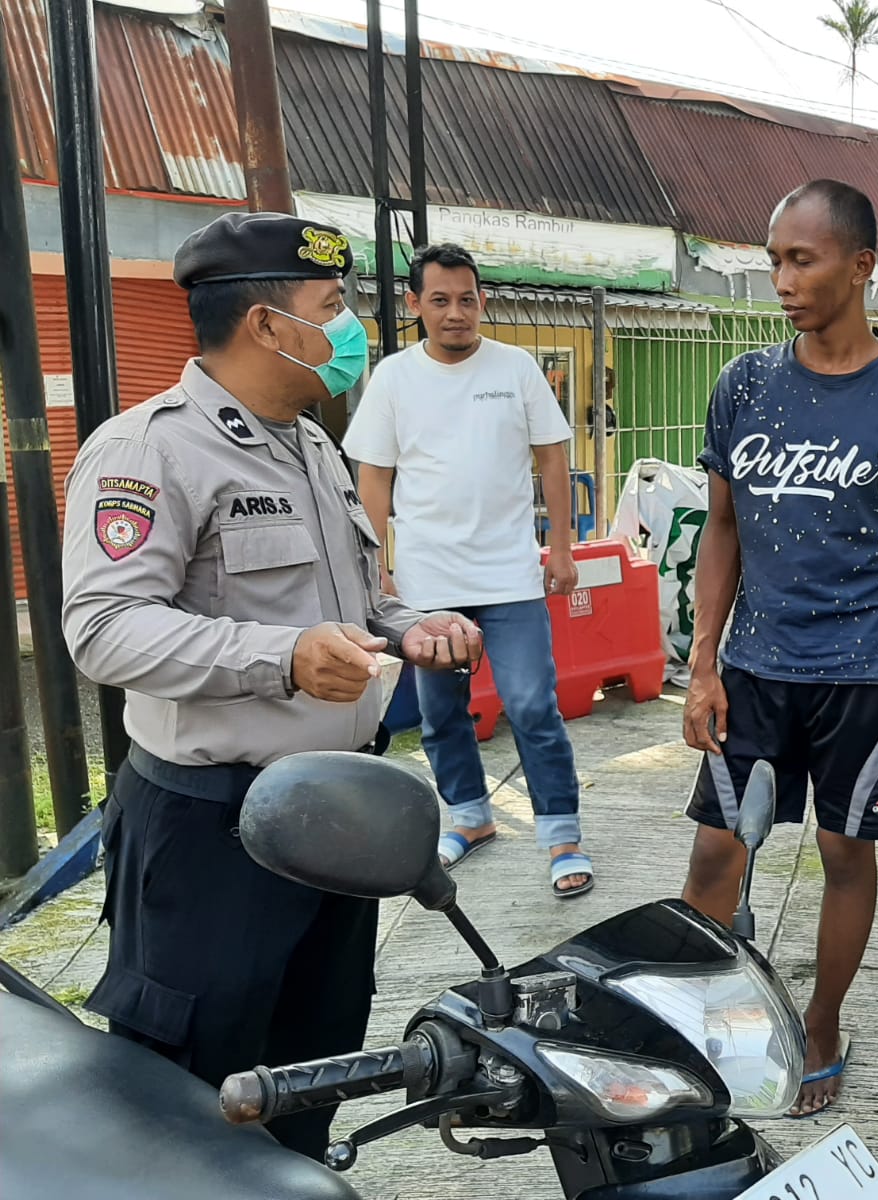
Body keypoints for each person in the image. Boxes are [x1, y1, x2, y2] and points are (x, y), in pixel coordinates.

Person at [61, 212, 483, 1158]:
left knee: (312, 1066)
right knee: (192, 1094)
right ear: (263, 325)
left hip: (333, 827)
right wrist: (283, 657)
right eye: (331, 310)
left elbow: (351, 599)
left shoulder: (310, 445)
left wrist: (413, 627)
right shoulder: (148, 451)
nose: (349, 334)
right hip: (214, 830)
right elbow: (102, 628)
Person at [679, 179, 878, 1117]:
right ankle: (710, 1020)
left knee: (848, 854)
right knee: (717, 856)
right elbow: (721, 527)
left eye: (801, 260)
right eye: (774, 260)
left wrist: (858, 599)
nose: (782, 280)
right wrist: (703, 663)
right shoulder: (746, 385)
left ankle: (824, 1021)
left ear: (860, 266)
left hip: (865, 675)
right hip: (753, 669)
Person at [343, 243, 592, 896]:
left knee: (534, 705)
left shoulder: (515, 369)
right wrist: (378, 569)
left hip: (509, 577)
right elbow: (374, 480)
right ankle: (471, 817)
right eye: (439, 300)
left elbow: (553, 461)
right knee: (442, 714)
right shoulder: (394, 379)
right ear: (414, 304)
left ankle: (561, 833)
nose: (456, 313)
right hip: (426, 586)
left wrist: (560, 548)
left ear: (482, 301)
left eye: (466, 299)